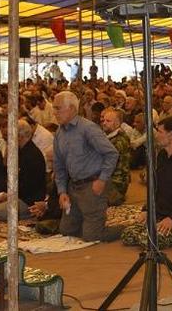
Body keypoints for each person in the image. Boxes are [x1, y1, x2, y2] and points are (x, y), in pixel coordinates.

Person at [121, 116, 172, 249]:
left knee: (148, 240)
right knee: (128, 235)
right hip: (160, 214)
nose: (156, 135)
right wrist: (147, 210)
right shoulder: (162, 156)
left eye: (160, 131)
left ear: (171, 135)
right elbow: (155, 188)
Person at [53, 91, 123, 242]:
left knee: (92, 236)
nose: (54, 112)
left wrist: (102, 180)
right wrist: (62, 191)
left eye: (58, 108)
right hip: (74, 187)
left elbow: (112, 153)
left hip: (93, 184)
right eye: (54, 108)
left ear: (72, 109)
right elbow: (59, 165)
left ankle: (126, 229)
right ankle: (88, 223)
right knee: (66, 231)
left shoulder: (88, 128)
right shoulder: (59, 132)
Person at [0, 120, 46, 221]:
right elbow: (8, 174)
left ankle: (31, 214)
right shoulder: (18, 150)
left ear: (20, 136)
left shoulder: (33, 155)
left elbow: (29, 186)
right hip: (15, 193)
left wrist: (10, 195)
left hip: (28, 199)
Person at [100, 108, 132, 206]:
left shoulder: (119, 140)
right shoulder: (109, 136)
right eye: (103, 120)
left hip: (116, 183)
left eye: (108, 121)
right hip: (109, 178)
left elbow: (105, 164)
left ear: (117, 123)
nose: (104, 123)